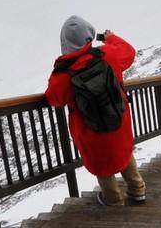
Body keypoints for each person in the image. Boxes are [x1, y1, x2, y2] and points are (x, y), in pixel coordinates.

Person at [45, 17, 145, 207]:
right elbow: (129, 52)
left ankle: (114, 200)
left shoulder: (63, 74)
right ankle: (138, 189)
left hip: (89, 128)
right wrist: (110, 38)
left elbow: (53, 98)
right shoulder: (107, 54)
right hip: (118, 118)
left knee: (101, 163)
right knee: (123, 150)